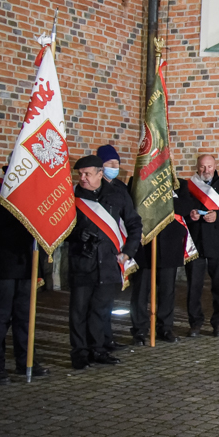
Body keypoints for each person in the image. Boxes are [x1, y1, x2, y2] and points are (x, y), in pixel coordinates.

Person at [66, 155, 141, 370]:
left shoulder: (117, 195)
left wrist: (128, 251)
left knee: (101, 309)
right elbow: (61, 228)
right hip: (82, 261)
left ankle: (98, 349)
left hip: (109, 261)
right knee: (79, 311)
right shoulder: (72, 195)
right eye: (80, 174)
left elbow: (134, 223)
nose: (83, 178)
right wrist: (78, 235)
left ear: (100, 174)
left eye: (88, 174)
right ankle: (79, 352)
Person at [0, 167, 49, 384]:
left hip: (26, 264)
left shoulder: (33, 190)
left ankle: (26, 361)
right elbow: (0, 221)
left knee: (25, 317)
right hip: (3, 264)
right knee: (0, 317)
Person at [175, 154, 219, 337]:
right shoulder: (187, 186)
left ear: (215, 166)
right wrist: (191, 215)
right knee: (194, 286)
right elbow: (182, 209)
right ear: (197, 167)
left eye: (209, 166)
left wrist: (218, 216)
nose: (206, 170)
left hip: (218, 242)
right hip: (196, 242)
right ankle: (195, 323)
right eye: (202, 167)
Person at [128, 215, 192, 344]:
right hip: (145, 244)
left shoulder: (178, 193)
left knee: (167, 291)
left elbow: (186, 205)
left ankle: (165, 328)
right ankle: (140, 329)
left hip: (169, 244)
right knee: (140, 291)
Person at [96, 144, 130, 353]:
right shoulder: (94, 188)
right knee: (98, 302)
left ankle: (107, 338)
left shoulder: (120, 188)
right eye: (110, 163)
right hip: (100, 251)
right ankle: (97, 342)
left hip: (118, 247)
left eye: (116, 164)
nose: (114, 167)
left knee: (109, 300)